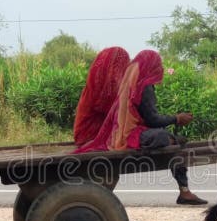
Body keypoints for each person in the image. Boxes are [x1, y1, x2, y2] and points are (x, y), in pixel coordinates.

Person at [76, 49, 207, 205]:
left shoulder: (133, 84)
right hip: (129, 134)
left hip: (123, 131)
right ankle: (184, 191)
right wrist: (176, 119)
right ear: (152, 66)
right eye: (158, 64)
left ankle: (184, 190)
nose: (160, 69)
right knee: (165, 137)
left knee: (168, 137)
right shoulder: (144, 87)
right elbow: (152, 119)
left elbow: (146, 116)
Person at [73, 47, 130, 147]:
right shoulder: (106, 89)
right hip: (91, 138)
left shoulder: (98, 82)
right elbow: (119, 114)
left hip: (85, 136)